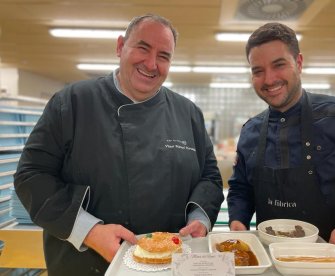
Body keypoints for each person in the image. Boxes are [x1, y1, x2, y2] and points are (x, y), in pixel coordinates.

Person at [14, 14, 224, 275]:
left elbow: (210, 176)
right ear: (120, 46)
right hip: (86, 264)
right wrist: (88, 231)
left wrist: (199, 218)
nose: (151, 63)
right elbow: (31, 175)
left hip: (170, 264)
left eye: (164, 56)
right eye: (143, 48)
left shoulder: (189, 113)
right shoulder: (72, 102)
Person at [227, 22, 335, 276]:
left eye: (279, 65)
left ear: (298, 63)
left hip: (333, 263)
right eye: (258, 71)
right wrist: (238, 224)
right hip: (270, 265)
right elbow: (241, 189)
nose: (269, 79)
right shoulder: (250, 131)